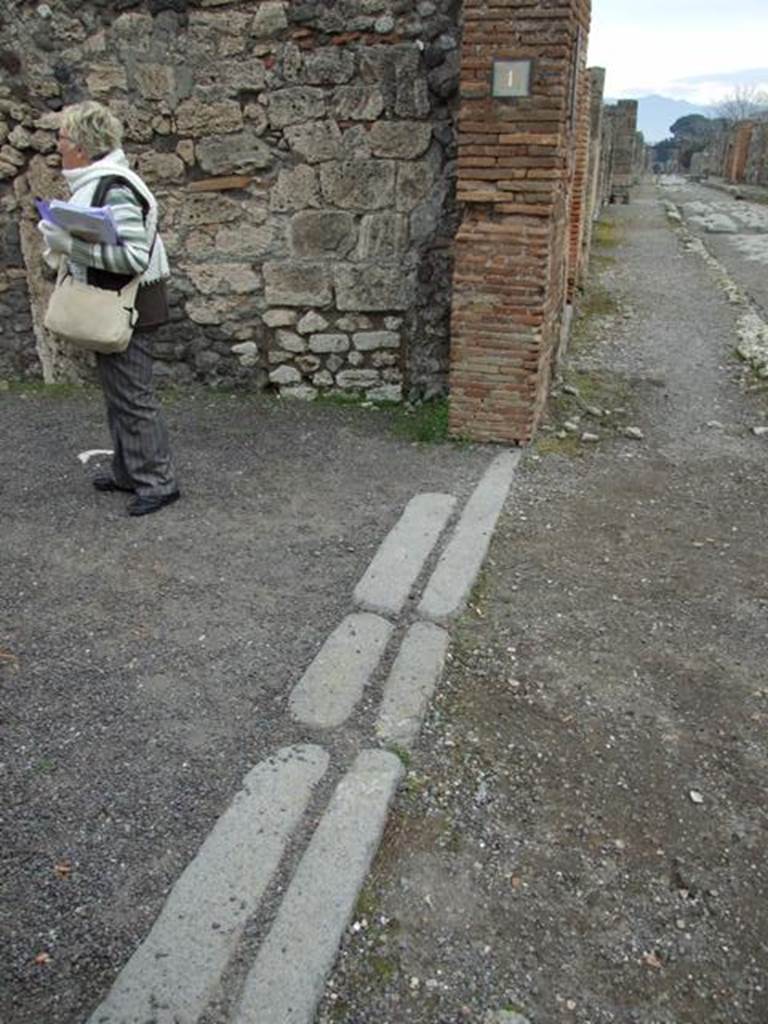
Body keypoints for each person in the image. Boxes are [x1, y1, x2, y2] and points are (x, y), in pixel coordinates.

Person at [38, 101, 180, 517]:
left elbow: (134, 258)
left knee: (133, 397)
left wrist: (71, 246)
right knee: (119, 394)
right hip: (114, 302)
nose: (57, 146)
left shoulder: (115, 186)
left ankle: (159, 482)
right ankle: (128, 471)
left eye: (62, 139)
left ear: (81, 147)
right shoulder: (98, 181)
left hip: (129, 305)